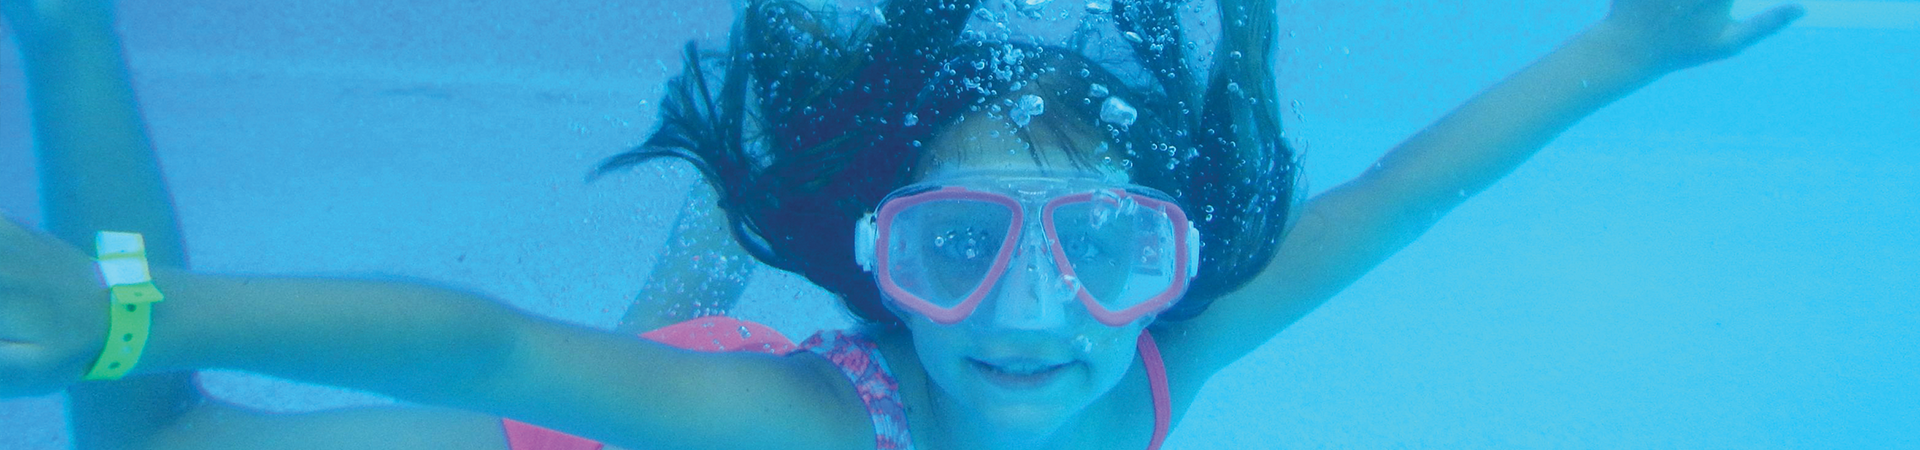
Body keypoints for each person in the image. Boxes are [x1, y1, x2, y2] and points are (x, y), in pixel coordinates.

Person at [0, 0, 1804, 449]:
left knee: (662, 318)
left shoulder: (1141, 372)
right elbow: (484, 345)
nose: (1038, 317)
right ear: (884, 262)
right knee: (148, 441)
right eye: (956, 247)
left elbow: (1409, 188)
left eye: (1101, 252)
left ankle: (702, 238)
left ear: (1167, 259)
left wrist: (1640, 42)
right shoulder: (793, 426)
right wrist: (139, 320)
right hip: (681, 413)